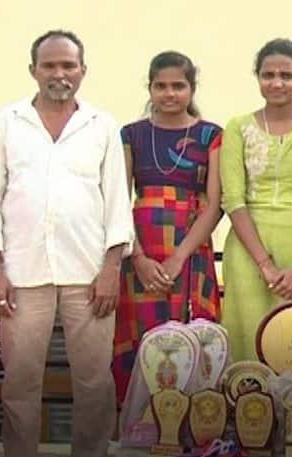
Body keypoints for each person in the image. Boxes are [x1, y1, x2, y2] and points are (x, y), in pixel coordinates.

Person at [0, 30, 133, 457]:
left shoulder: (101, 125)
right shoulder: (6, 122)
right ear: (33, 70)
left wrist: (111, 269)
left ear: (83, 70)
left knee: (94, 382)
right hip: (22, 274)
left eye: (68, 65)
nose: (59, 74)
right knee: (21, 382)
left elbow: (118, 201)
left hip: (88, 273)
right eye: (49, 65)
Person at [113, 51, 223, 404]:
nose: (169, 93)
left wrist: (179, 257)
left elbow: (216, 203)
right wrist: (140, 258)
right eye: (160, 86)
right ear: (150, 88)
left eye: (178, 85)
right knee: (141, 338)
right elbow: (117, 200)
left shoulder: (211, 135)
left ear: (192, 88)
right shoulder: (131, 134)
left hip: (191, 247)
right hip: (140, 247)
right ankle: (137, 427)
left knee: (194, 338)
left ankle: (194, 430)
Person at [219, 38, 292, 362]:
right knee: (249, 347)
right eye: (268, 75)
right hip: (248, 252)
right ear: (257, 78)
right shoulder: (237, 127)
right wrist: (265, 265)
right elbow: (233, 199)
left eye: (287, 75)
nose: (277, 83)